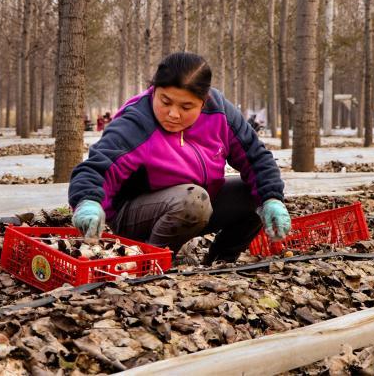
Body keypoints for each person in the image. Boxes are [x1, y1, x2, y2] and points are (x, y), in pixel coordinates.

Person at [68, 52, 291, 264]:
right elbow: (97, 167)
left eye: (186, 107)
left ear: (204, 102)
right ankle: (150, 260)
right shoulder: (137, 122)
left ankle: (221, 262)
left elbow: (256, 156)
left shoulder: (220, 113)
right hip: (136, 213)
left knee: (255, 194)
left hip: (196, 205)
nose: (173, 114)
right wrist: (88, 201)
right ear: (154, 90)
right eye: (165, 102)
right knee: (194, 200)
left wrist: (271, 198)